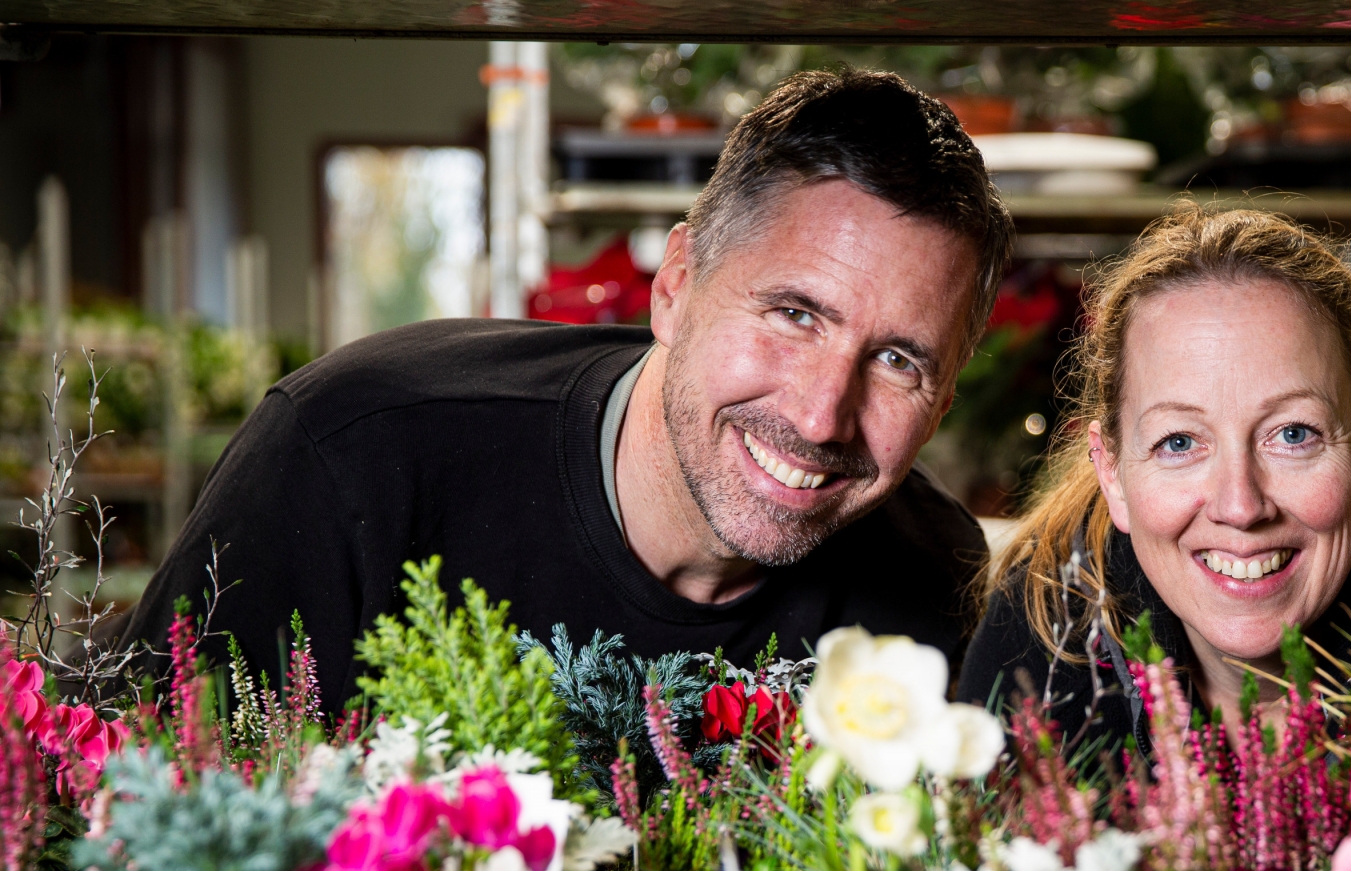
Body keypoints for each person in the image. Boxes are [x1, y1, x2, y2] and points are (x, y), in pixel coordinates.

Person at [123, 68, 1012, 708]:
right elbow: (120, 823)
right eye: (792, 313)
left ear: (942, 401)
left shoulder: (936, 581)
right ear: (675, 287)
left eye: (900, 361)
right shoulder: (357, 453)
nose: (822, 415)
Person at [960, 205, 1351, 746]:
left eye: (1293, 435)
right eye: (1178, 442)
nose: (1241, 506)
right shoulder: (1037, 636)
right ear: (1112, 472)